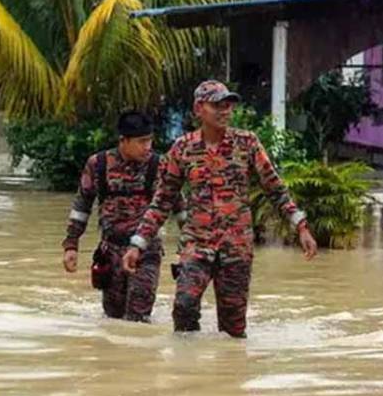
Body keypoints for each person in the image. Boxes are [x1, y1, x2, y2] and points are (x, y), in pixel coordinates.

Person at [122, 80, 318, 338]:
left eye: (228, 105)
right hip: (196, 245)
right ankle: (188, 369)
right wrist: (137, 244)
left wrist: (301, 225)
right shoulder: (182, 149)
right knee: (183, 307)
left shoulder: (247, 144)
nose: (225, 111)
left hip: (235, 248)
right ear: (199, 108)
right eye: (217, 105)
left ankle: (229, 372)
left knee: (233, 328)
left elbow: (275, 188)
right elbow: (162, 202)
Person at [62, 111, 163, 322]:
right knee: (113, 318)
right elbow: (82, 205)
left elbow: (179, 205)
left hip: (146, 251)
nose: (147, 147)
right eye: (141, 141)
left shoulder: (159, 166)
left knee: (137, 316)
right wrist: (71, 245)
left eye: (150, 141)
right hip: (111, 251)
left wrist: (186, 249)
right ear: (123, 141)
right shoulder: (98, 164)